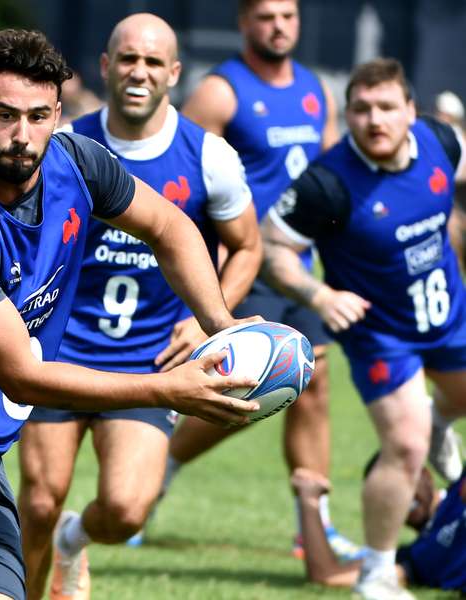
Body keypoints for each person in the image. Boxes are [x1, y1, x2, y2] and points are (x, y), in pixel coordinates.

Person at [0, 29, 261, 600]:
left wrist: (219, 322)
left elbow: (170, 226)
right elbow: (22, 375)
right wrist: (167, 390)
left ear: (59, 113)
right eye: (4, 115)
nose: (22, 135)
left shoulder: (78, 162)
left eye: (38, 116)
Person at [17, 14, 261, 600]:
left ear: (174, 74)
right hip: (61, 352)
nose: (138, 72)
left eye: (153, 62)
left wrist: (206, 316)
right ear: (105, 66)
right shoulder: (62, 143)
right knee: (41, 499)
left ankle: (77, 541)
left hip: (152, 359)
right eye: (127, 58)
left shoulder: (208, 157)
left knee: (127, 511)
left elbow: (247, 246)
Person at [260, 57, 466, 599]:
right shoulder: (327, 184)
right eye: (361, 109)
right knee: (404, 444)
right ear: (347, 114)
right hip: (380, 332)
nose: (375, 120)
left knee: (449, 410)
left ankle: (441, 419)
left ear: (411, 112)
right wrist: (318, 293)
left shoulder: (443, 142)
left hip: (446, 312)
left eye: (387, 108)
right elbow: (272, 248)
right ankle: (376, 574)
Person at [158, 0, 356, 559]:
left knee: (312, 385)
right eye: (266, 16)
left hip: (296, 265)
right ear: (244, 22)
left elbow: (331, 180)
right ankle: (160, 470)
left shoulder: (317, 90)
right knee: (243, 391)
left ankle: (313, 524)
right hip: (244, 262)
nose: (279, 26)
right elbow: (181, 183)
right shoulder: (222, 91)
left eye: (289, 16)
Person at [291, 461, 465, 595]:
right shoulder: (417, 558)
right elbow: (328, 575)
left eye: (402, 480)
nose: (398, 496)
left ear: (425, 474)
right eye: (385, 494)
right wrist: (309, 500)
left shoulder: (458, 486)